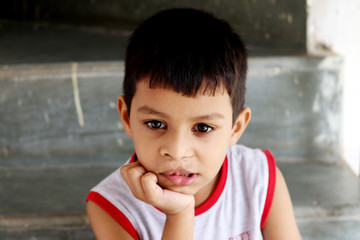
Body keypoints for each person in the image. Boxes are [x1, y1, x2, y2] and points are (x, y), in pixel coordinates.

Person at [86, 8, 302, 240]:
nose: (177, 152)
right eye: (156, 124)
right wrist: (179, 212)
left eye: (203, 128)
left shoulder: (259, 178)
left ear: (235, 128)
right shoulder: (112, 206)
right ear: (127, 117)